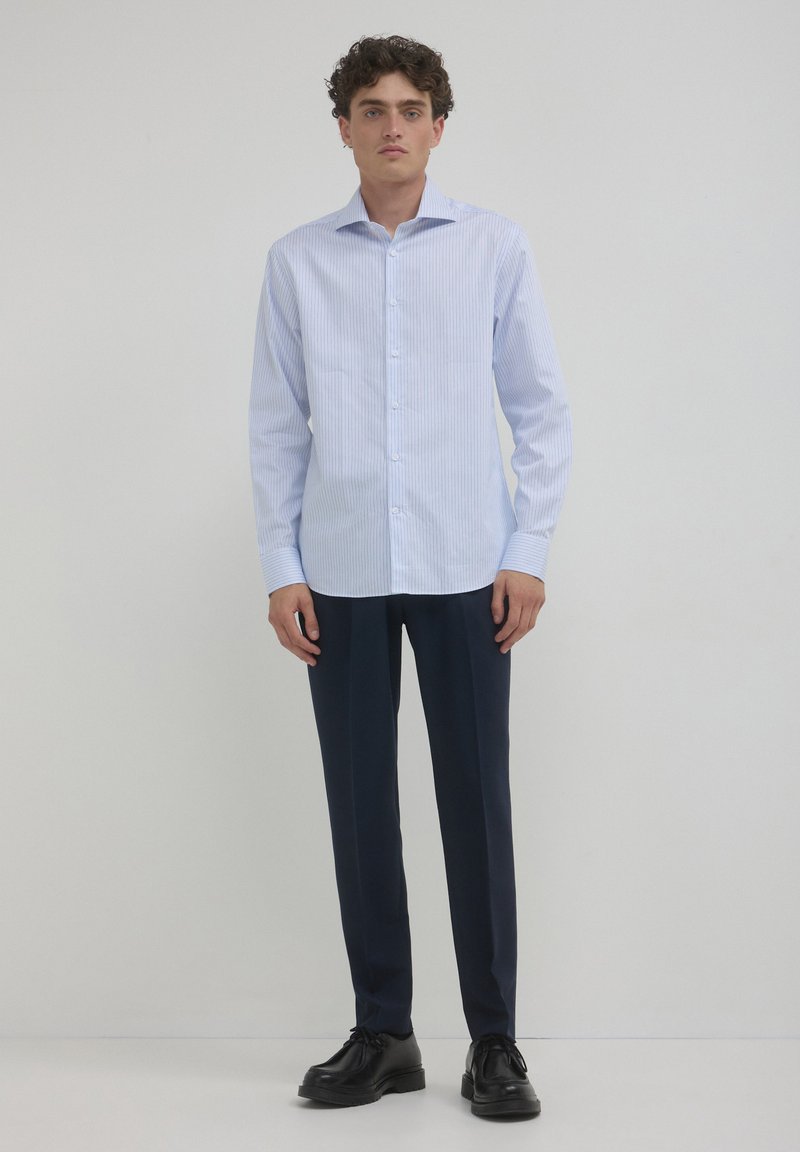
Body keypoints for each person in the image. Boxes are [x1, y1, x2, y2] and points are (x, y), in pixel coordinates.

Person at [248, 33, 572, 1119]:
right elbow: (274, 428)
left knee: (475, 801)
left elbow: (540, 410)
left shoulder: (493, 247)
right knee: (359, 803)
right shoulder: (297, 262)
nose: (392, 125)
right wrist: (282, 566)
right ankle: (383, 1031)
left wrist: (525, 553)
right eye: (372, 108)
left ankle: (494, 1042)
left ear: (439, 124)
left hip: (465, 566)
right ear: (343, 126)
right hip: (338, 570)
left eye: (411, 108)